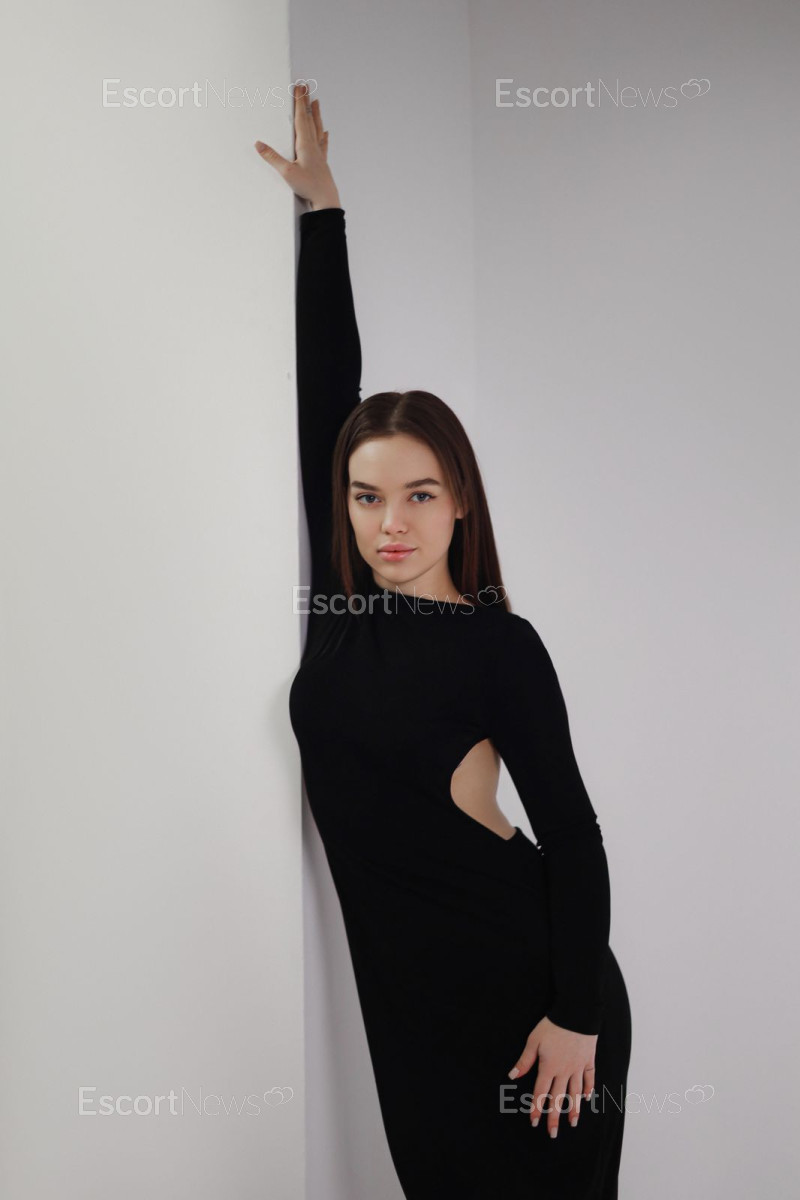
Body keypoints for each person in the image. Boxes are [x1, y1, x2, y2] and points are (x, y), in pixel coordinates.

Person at [255, 83, 632, 1199]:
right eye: (368, 496)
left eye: (420, 494)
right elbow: (327, 394)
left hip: (534, 1009)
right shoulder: (342, 611)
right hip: (410, 1015)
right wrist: (324, 213)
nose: (392, 523)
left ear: (460, 502)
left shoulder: (498, 647)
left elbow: (572, 833)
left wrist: (575, 1014)